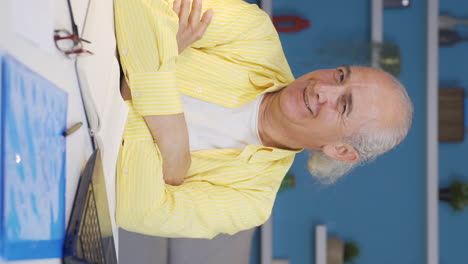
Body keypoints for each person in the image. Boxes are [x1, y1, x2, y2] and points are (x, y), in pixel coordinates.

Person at [114, 0, 413, 239]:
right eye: (340, 75)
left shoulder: (249, 200)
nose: (321, 89)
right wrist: (172, 139)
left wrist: (154, 66)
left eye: (344, 105)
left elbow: (139, 212)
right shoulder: (253, 33)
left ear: (341, 150)